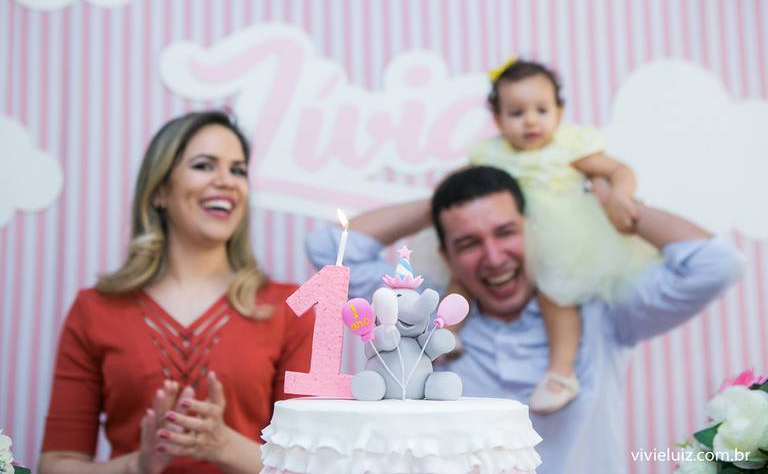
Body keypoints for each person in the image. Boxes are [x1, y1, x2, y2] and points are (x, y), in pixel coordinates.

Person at [305, 166, 745, 474]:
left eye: (505, 231)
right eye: (468, 242)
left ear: (536, 232)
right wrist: (442, 200)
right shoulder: (425, 322)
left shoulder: (600, 311)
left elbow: (718, 265)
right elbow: (330, 250)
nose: (494, 258)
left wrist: (614, 204)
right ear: (447, 256)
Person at [39, 111, 314, 474]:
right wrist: (138, 465)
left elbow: (309, 467)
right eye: (204, 165)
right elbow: (56, 464)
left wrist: (226, 447)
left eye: (238, 170)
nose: (227, 182)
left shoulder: (288, 308)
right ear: (159, 191)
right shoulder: (94, 310)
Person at [462, 56, 659, 413]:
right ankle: (447, 334)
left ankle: (561, 371)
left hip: (562, 235)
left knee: (558, 291)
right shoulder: (490, 153)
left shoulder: (568, 149)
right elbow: (460, 187)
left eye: (541, 109)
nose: (531, 120)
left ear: (560, 110)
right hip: (506, 236)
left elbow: (620, 170)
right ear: (498, 119)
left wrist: (619, 196)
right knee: (460, 272)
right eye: (517, 113)